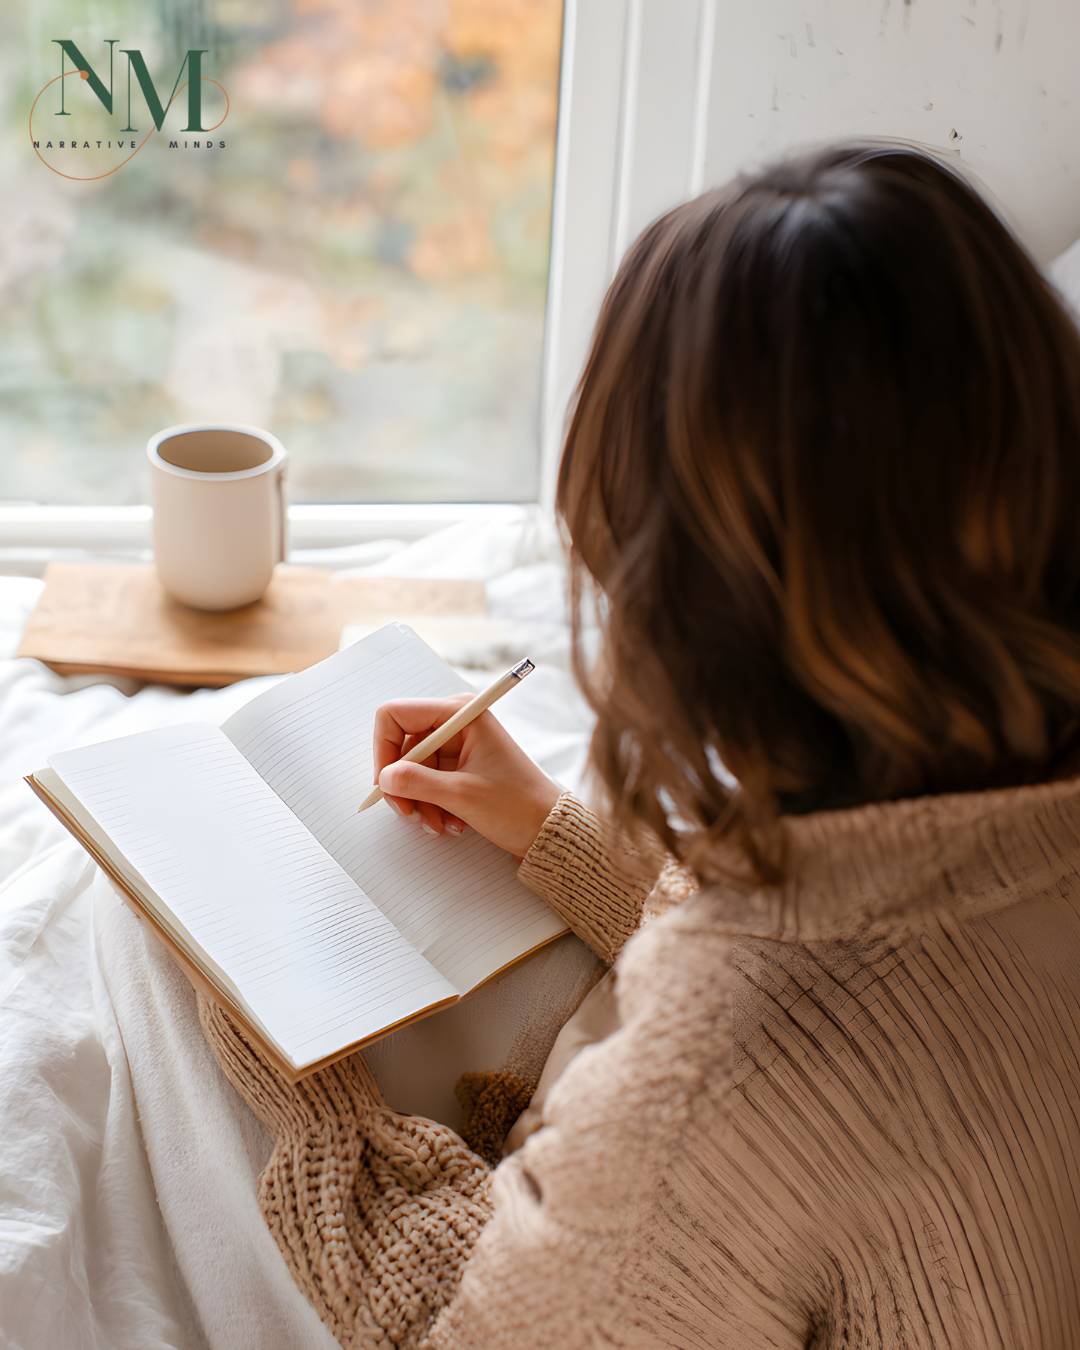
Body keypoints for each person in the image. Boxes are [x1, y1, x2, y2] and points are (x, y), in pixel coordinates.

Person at [200, 141, 1080, 1347]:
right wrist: (563, 837)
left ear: (691, 602)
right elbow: (905, 964)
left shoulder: (711, 1088)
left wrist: (321, 1110)